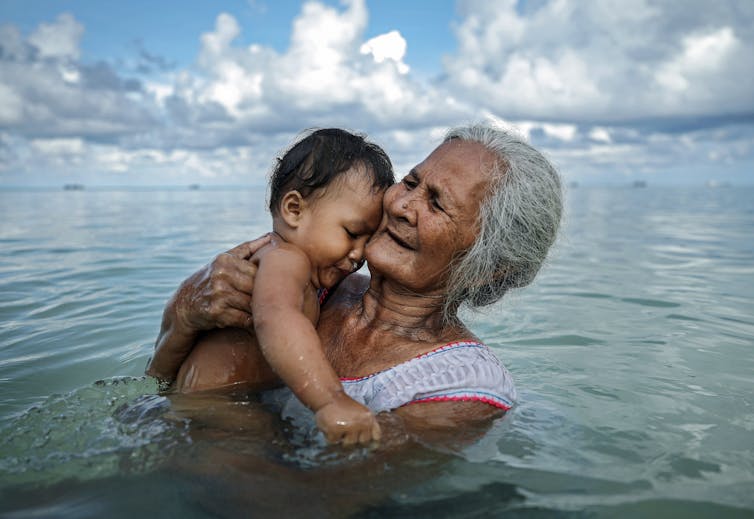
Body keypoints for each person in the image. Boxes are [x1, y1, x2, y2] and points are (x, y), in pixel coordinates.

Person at [147, 123, 562, 441]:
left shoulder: (463, 389)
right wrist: (184, 315)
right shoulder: (318, 282)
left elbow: (327, 498)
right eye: (411, 182)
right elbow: (155, 389)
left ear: (490, 266)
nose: (401, 205)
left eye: (435, 203)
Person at [170, 128, 394, 445]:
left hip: (215, 406)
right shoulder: (284, 259)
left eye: (368, 239)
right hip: (216, 410)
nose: (359, 253)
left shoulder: (297, 268)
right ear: (294, 210)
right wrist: (331, 400)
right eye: (351, 232)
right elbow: (276, 316)